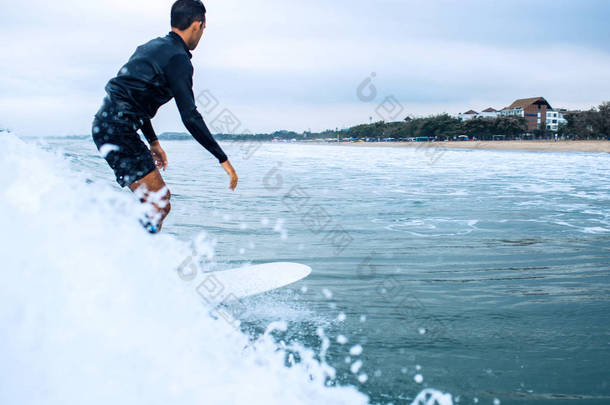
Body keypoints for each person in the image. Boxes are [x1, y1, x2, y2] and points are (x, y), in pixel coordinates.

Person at [92, 0, 238, 233]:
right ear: (197, 25)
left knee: (154, 202)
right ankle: (131, 256)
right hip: (118, 128)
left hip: (107, 124)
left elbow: (132, 99)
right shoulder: (178, 59)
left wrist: (153, 141)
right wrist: (223, 159)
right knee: (160, 201)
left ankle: (127, 252)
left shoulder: (150, 48)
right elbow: (190, 116)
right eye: (203, 29)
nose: (202, 34)